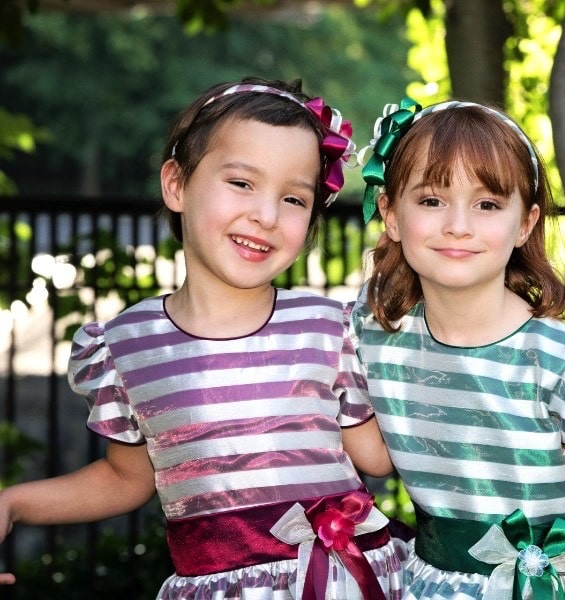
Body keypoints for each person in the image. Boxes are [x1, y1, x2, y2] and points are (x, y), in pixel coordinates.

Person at [0, 78, 407, 600]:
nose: (265, 215)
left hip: (346, 584)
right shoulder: (124, 346)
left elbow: (378, 457)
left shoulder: (331, 327)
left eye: (293, 197)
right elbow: (126, 479)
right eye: (241, 183)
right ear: (177, 185)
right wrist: (12, 503)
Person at [351, 98, 565, 599]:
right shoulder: (376, 342)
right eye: (432, 200)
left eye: (488, 204)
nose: (458, 224)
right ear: (390, 214)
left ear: (525, 223)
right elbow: (375, 459)